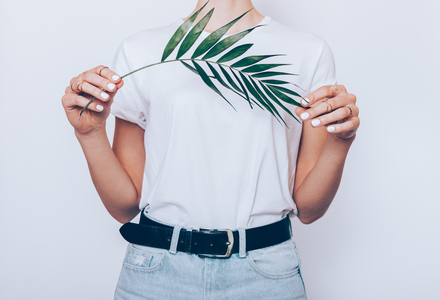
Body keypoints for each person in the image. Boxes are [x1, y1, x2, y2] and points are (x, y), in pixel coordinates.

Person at [62, 0, 360, 298]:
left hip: (265, 276)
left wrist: (340, 142)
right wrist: (90, 134)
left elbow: (309, 209)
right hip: (157, 275)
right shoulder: (141, 50)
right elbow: (123, 206)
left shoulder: (308, 52)